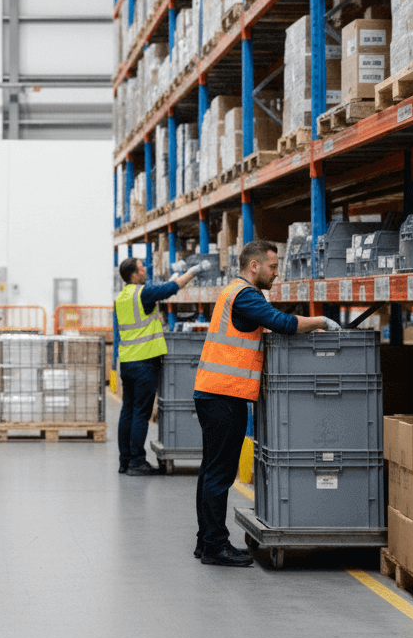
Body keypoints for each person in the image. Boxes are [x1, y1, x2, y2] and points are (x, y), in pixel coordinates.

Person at [192, 239, 341, 567]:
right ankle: (215, 545)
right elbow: (282, 323)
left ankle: (206, 541)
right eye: (273, 267)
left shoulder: (234, 291)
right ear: (254, 266)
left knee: (211, 471)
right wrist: (320, 321)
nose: (277, 273)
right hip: (224, 394)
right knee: (219, 474)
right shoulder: (245, 295)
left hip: (214, 392)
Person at [114, 255, 210, 476]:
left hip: (127, 361)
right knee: (141, 412)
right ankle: (137, 462)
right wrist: (193, 272)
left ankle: (125, 460)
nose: (145, 270)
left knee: (127, 411)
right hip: (144, 361)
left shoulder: (122, 297)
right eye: (141, 268)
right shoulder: (143, 293)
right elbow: (170, 288)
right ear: (133, 274)